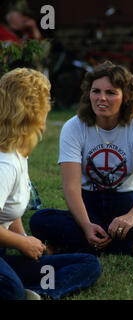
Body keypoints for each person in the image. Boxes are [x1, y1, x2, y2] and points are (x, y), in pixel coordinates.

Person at [30, 61, 133, 256]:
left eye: (111, 93)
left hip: (128, 199)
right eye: (96, 91)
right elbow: (71, 187)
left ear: (126, 97)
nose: (101, 98)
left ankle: (74, 246)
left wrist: (131, 218)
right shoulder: (74, 127)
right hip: (89, 202)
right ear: (88, 93)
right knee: (39, 220)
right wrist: (86, 225)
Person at [0, 68, 102, 300]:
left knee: (87, 263)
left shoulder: (17, 152)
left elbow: (7, 209)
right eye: (45, 102)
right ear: (32, 110)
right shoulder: (4, 163)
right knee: (10, 290)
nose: (49, 108)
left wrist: (25, 241)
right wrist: (21, 243)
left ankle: (40, 294)